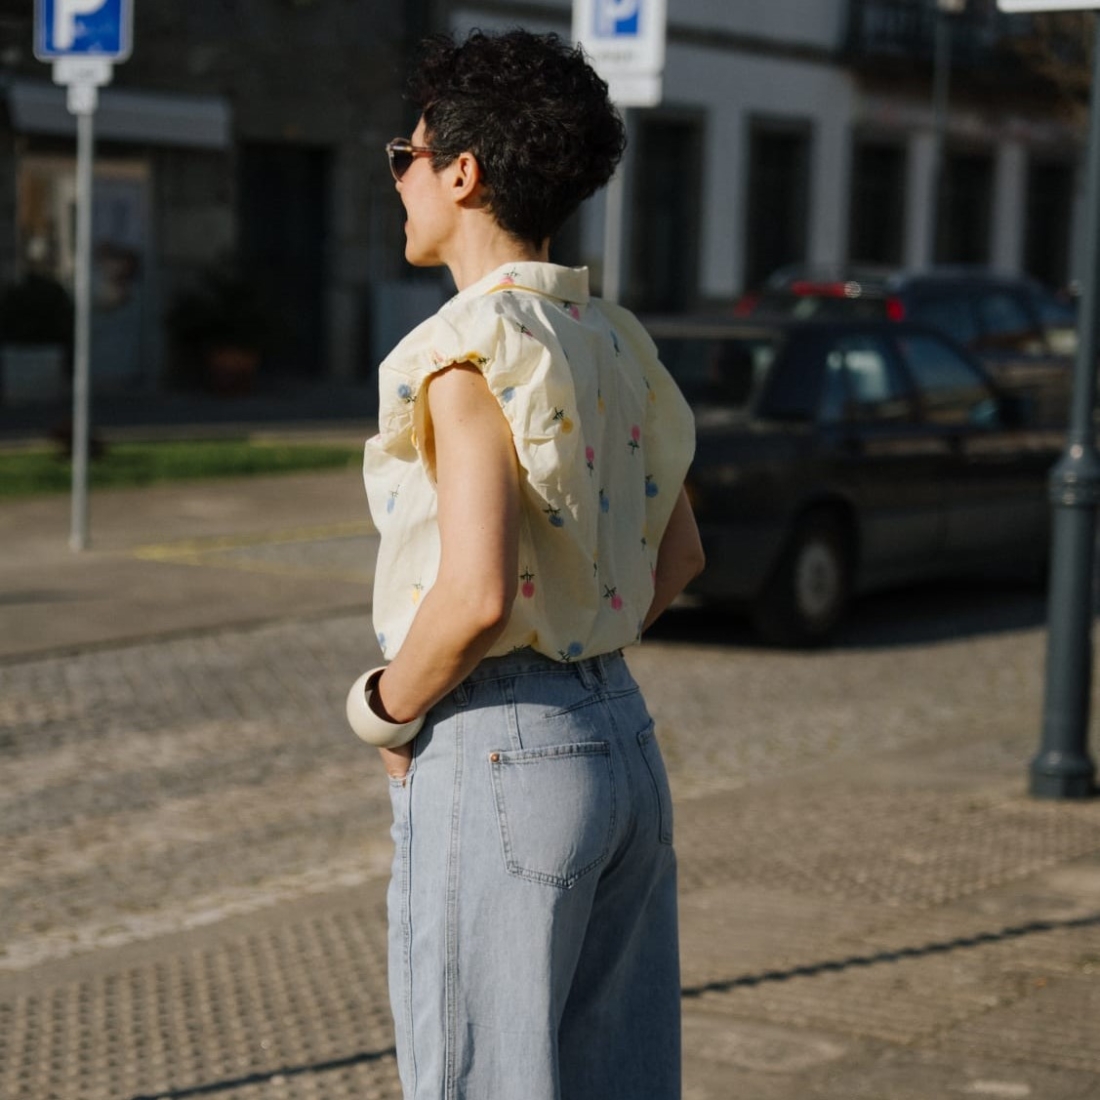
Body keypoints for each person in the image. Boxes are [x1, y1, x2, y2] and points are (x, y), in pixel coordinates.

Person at [350, 27, 705, 1100]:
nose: (399, 180)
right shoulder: (611, 339)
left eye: (402, 157)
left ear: (460, 172)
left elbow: (471, 593)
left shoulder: (460, 351)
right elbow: (682, 552)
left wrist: (384, 709)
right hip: (620, 744)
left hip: (498, 752)